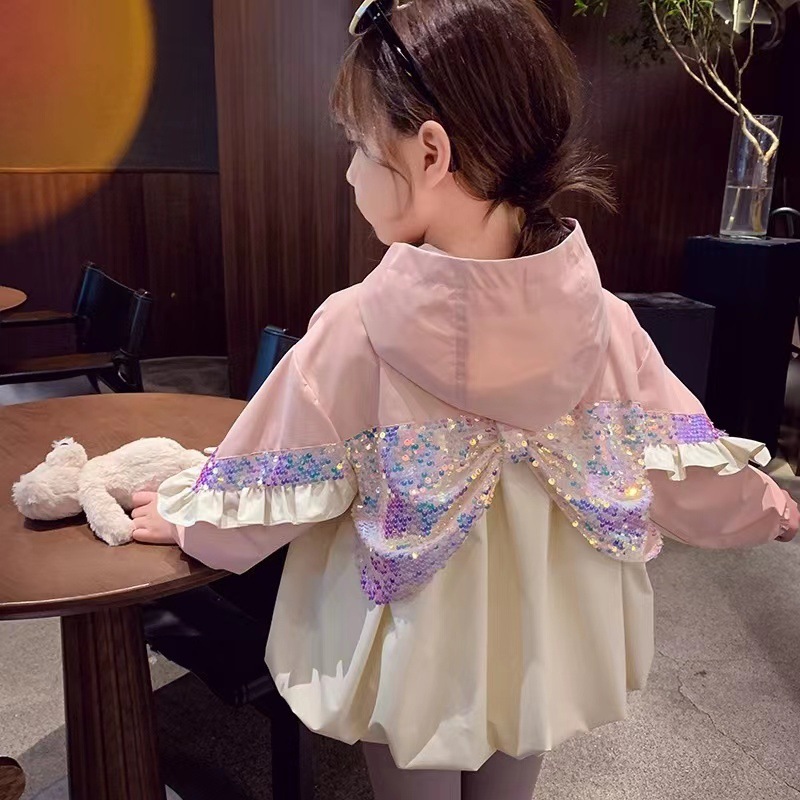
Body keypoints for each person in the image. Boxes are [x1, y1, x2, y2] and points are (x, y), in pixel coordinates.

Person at [131, 0, 799, 797]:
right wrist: (771, 508)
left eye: (358, 146)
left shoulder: (358, 327)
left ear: (431, 152)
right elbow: (678, 463)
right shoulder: (607, 324)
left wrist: (189, 517)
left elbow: (275, 472)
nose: (349, 172)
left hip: (411, 643)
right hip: (542, 634)